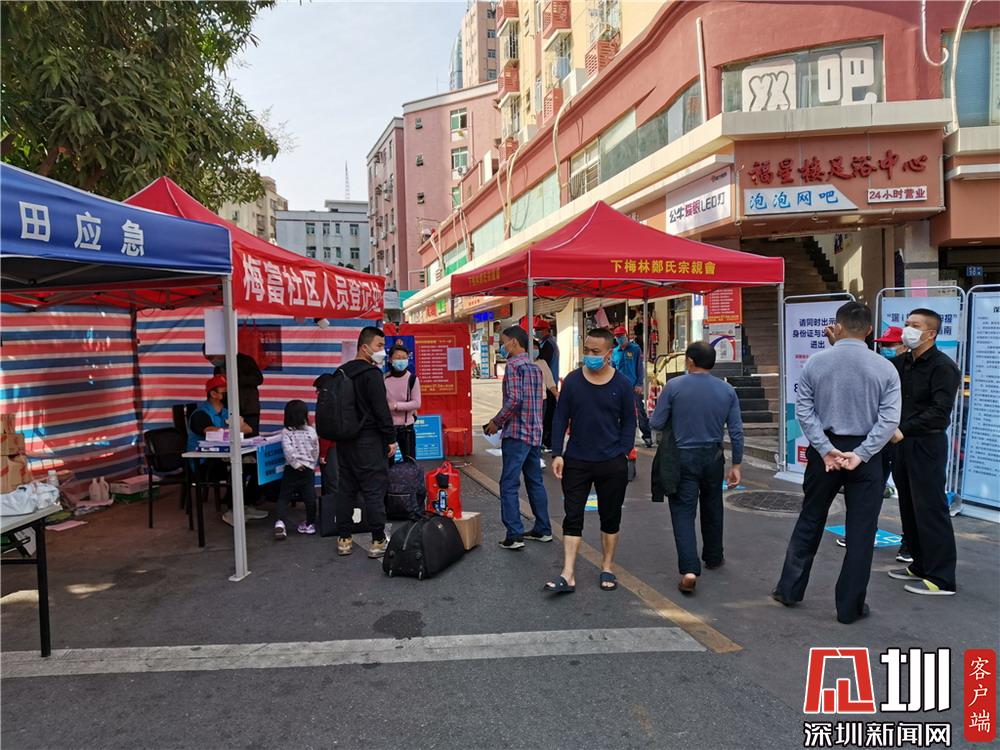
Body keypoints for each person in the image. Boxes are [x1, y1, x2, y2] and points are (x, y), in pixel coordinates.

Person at [772, 302, 901, 624]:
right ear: (869, 330)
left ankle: (789, 589)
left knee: (811, 517)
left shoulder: (816, 362)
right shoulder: (885, 368)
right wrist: (863, 453)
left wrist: (825, 449)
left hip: (824, 454)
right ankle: (849, 608)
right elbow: (889, 420)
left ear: (837, 327)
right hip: (867, 456)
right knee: (862, 530)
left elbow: (805, 411)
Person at [545, 328, 636, 594]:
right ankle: (568, 573)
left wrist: (623, 452)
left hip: (612, 462)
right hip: (577, 460)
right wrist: (557, 453)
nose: (590, 355)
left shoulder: (622, 384)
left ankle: (607, 567)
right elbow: (560, 418)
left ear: (609, 354)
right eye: (587, 350)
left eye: (596, 351)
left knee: (610, 516)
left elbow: (629, 422)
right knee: (572, 516)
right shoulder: (573, 381)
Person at [649, 341, 743, 594]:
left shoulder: (674, 386)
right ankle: (713, 556)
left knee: (683, 511)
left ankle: (689, 570)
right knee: (713, 506)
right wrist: (736, 464)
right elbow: (736, 430)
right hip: (713, 456)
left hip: (681, 457)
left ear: (690, 361)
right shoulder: (727, 390)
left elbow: (656, 422)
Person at [886, 308, 961, 596]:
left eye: (914, 325)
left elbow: (940, 412)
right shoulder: (902, 363)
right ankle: (919, 564)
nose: (907, 329)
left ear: (930, 333)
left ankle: (942, 577)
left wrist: (905, 428)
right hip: (900, 443)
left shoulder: (943, 367)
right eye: (906, 323)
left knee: (930, 508)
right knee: (908, 505)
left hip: (926, 444)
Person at [834, 325, 911, 563]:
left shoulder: (906, 370)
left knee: (908, 494)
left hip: (903, 440)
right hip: (879, 441)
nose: (886, 349)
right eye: (883, 345)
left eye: (890, 345)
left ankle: (909, 545)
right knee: (871, 493)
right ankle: (862, 534)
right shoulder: (880, 367)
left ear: (903, 346)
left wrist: (900, 429)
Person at [484, 326, 552, 549]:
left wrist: (496, 422)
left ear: (513, 342)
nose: (502, 346)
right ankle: (543, 529)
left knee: (509, 483)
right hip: (534, 433)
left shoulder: (513, 366)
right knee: (535, 481)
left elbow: (514, 399)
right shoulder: (534, 367)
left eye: (503, 342)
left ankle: (514, 534)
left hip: (516, 434)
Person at [335, 327, 397, 559]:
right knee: (373, 490)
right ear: (364, 347)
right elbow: (382, 411)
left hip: (344, 441)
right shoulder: (372, 374)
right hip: (369, 441)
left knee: (346, 490)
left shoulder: (341, 372)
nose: (383, 351)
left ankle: (344, 539)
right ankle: (378, 540)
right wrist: (391, 439)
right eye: (379, 346)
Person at [186, 375, 267, 525]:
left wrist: (234, 427)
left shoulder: (226, 412)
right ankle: (232, 510)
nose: (229, 394)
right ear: (213, 394)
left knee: (258, 466)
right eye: (225, 391)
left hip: (224, 457)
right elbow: (210, 431)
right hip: (204, 463)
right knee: (236, 467)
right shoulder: (200, 414)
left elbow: (248, 428)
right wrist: (234, 428)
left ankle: (246, 505)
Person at [274, 399, 320, 539]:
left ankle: (280, 522)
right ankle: (310, 524)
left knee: (284, 495)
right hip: (308, 469)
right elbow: (315, 449)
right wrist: (312, 464)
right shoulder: (311, 431)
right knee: (310, 497)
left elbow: (287, 450)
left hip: (292, 469)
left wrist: (295, 464)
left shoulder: (286, 431)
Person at [611, 325, 653, 449]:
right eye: (617, 337)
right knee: (619, 412)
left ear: (626, 335)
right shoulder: (615, 352)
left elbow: (640, 368)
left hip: (633, 387)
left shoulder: (635, 349)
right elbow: (612, 370)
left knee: (640, 411)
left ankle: (647, 436)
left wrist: (639, 384)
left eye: (621, 336)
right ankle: (620, 436)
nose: (620, 338)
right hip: (619, 388)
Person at [385, 344, 421, 460]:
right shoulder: (384, 379)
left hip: (407, 427)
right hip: (389, 427)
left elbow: (416, 403)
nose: (401, 360)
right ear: (390, 359)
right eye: (398, 357)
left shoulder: (412, 379)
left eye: (404, 358)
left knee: (410, 461)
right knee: (387, 461)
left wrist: (396, 406)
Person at [534, 350, 559, 452]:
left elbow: (549, 381)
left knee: (539, 425)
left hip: (541, 399)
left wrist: (556, 394)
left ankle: (537, 446)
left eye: (536, 348)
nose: (534, 350)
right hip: (528, 400)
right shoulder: (523, 362)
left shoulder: (542, 363)